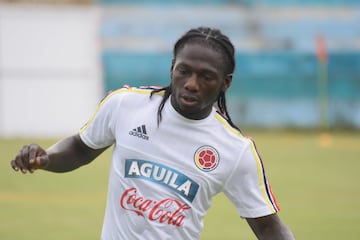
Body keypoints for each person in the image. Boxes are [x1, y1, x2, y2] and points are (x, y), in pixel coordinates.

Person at [10, 27, 295, 239]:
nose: (192, 84)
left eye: (206, 76)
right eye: (184, 71)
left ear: (225, 83)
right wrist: (46, 158)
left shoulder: (235, 150)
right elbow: (80, 149)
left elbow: (268, 227)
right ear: (172, 68)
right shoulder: (126, 105)